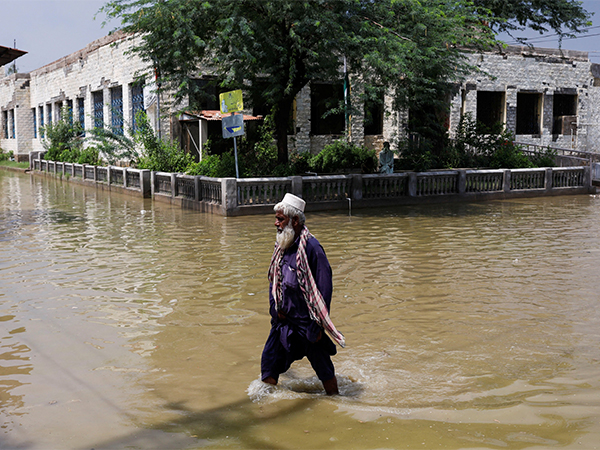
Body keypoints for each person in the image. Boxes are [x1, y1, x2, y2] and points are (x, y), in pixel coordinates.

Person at [261, 193, 345, 395]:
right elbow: (274, 281)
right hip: (283, 321)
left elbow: (324, 289)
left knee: (324, 371)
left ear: (295, 220)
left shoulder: (312, 249)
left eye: (280, 219)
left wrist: (317, 325)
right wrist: (275, 308)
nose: (276, 223)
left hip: (307, 324)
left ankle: (337, 403)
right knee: (268, 364)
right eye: (277, 218)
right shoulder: (282, 245)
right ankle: (266, 408)